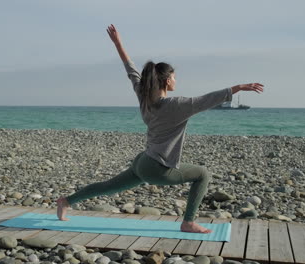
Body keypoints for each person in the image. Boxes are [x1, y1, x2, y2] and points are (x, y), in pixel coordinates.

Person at [57, 24, 264, 233]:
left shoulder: (143, 94)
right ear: (167, 80)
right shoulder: (176, 105)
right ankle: (188, 222)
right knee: (203, 174)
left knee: (108, 186)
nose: (176, 80)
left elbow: (131, 70)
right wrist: (237, 88)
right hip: (157, 167)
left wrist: (118, 43)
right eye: (174, 77)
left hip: (143, 161)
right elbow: (206, 100)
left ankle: (66, 201)